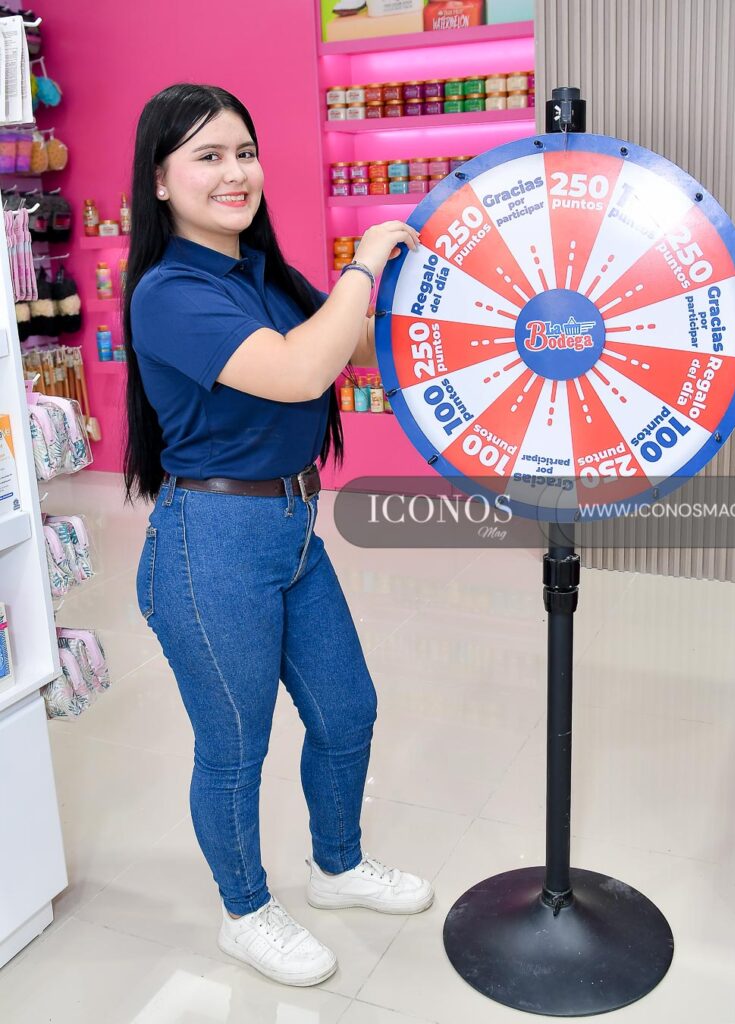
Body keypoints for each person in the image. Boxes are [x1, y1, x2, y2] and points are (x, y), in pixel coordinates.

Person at [124, 83, 431, 989]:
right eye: (208, 156)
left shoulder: (257, 272)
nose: (235, 172)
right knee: (235, 745)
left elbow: (353, 349)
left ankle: (336, 867)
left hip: (294, 526)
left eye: (244, 152)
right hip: (209, 541)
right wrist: (364, 264)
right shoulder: (167, 291)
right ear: (161, 180)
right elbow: (301, 372)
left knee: (348, 711)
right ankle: (245, 910)